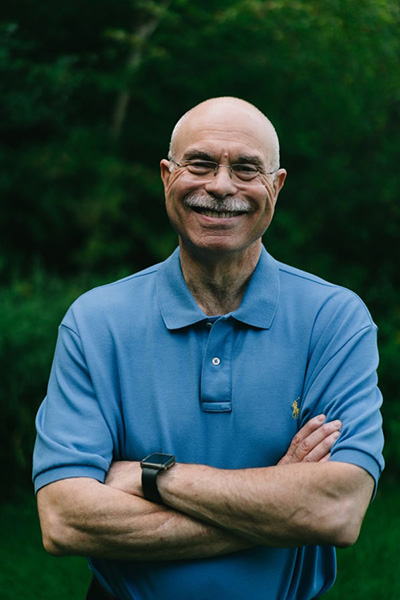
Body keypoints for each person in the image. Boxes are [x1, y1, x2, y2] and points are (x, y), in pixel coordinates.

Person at [33, 97, 384, 600]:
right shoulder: (95, 322)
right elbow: (65, 521)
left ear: (276, 186)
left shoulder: (335, 319)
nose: (221, 186)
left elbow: (336, 511)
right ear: (165, 176)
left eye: (246, 168)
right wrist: (278, 503)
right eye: (199, 163)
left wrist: (154, 477)